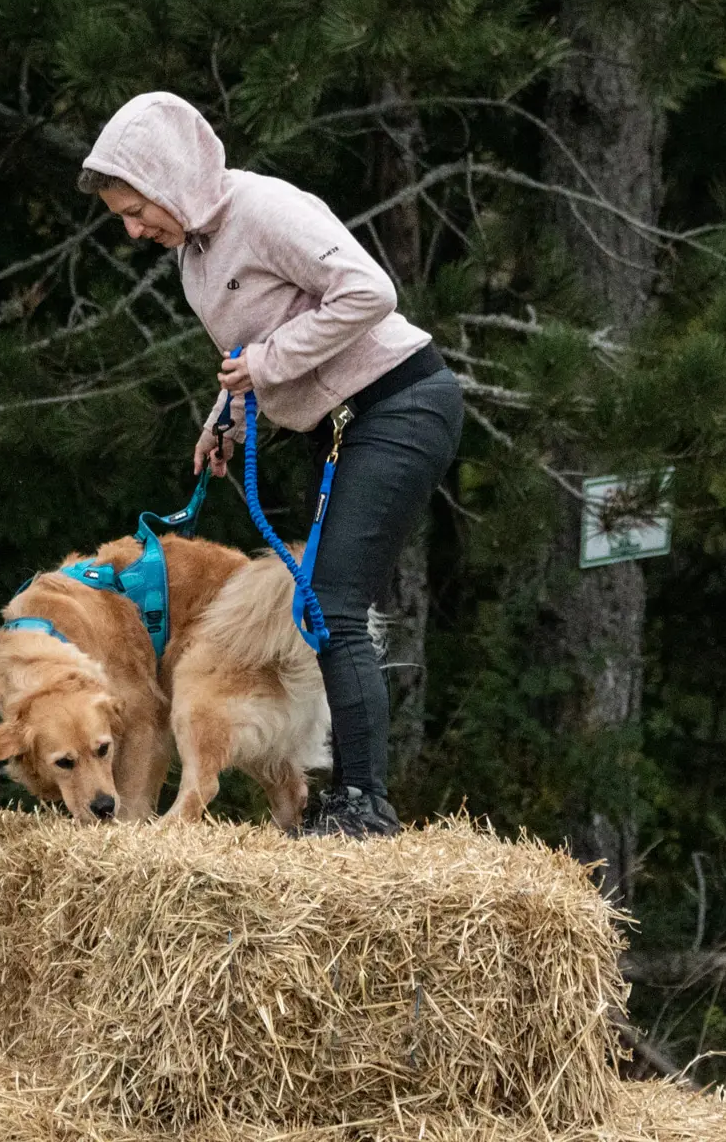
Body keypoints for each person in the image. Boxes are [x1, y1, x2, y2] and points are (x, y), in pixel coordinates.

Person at [78, 91, 464, 838]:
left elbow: (368, 292)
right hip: (344, 420)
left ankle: (364, 809)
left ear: (171, 177)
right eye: (122, 217)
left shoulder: (261, 209)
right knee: (320, 605)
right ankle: (346, 803)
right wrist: (226, 417)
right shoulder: (194, 254)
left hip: (401, 403)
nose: (133, 230)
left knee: (328, 601)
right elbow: (258, 346)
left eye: (136, 209)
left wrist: (264, 365)